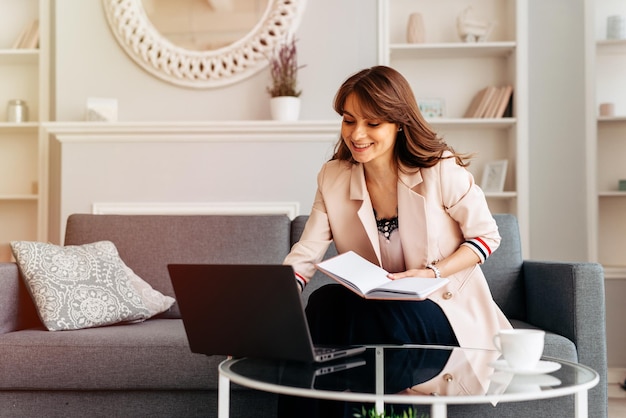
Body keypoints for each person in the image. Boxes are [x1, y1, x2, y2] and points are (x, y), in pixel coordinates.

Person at [284, 65, 512, 352]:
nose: (357, 134)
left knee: (380, 321)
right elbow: (306, 254)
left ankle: (364, 394)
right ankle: (314, 393)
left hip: (444, 306)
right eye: (349, 121)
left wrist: (432, 273)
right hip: (378, 308)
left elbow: (486, 238)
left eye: (373, 124)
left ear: (399, 123)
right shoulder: (333, 177)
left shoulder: (440, 168)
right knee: (324, 302)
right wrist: (271, 312)